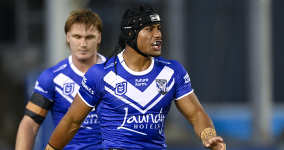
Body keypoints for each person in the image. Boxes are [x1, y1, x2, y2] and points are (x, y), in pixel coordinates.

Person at [44, 5, 226, 150]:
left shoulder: (172, 71)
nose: (158, 35)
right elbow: (72, 121)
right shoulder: (101, 74)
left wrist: (208, 136)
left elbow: (195, 114)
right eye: (149, 29)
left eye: (159, 28)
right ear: (130, 34)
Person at [15, 9, 106, 150]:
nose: (83, 43)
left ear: (98, 37)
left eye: (89, 37)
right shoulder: (52, 77)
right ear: (68, 37)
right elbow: (30, 123)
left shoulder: (117, 73)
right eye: (77, 36)